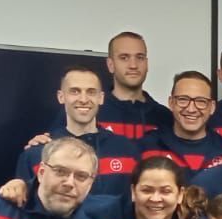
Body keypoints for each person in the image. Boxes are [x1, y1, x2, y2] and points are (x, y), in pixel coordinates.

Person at [14, 66, 141, 197]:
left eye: (91, 92)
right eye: (75, 91)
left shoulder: (126, 150)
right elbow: (24, 210)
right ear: (61, 97)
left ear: (101, 98)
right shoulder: (36, 153)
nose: (84, 99)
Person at [138, 71, 222, 171]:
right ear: (171, 103)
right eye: (183, 100)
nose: (191, 109)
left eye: (200, 101)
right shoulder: (148, 146)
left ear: (212, 107)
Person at [92, 31, 173, 140]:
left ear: (147, 64)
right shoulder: (92, 112)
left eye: (140, 57)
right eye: (124, 58)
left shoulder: (165, 117)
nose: (133, 65)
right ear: (110, 65)